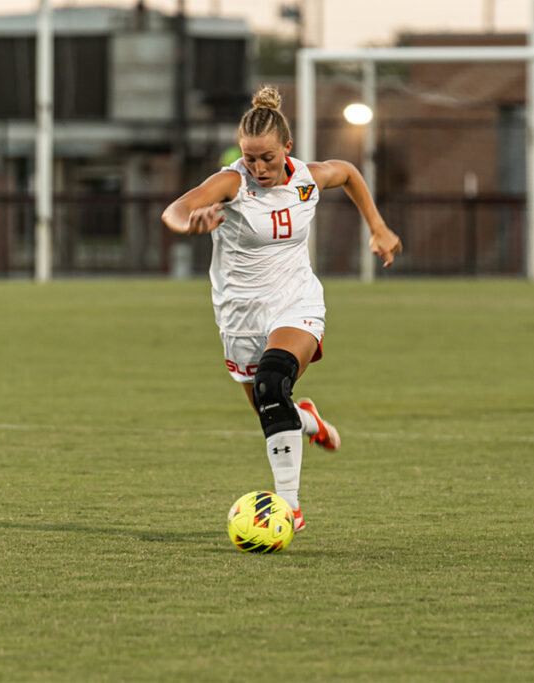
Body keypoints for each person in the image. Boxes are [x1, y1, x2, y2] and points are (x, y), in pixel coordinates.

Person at [162, 86, 402, 533]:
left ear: (287, 149)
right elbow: (176, 209)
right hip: (240, 315)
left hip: (296, 301)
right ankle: (307, 419)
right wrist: (191, 222)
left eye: (267, 158)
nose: (258, 167)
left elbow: (347, 172)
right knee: (272, 407)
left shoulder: (307, 178)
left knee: (272, 383)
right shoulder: (232, 182)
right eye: (250, 157)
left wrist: (379, 227)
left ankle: (289, 510)